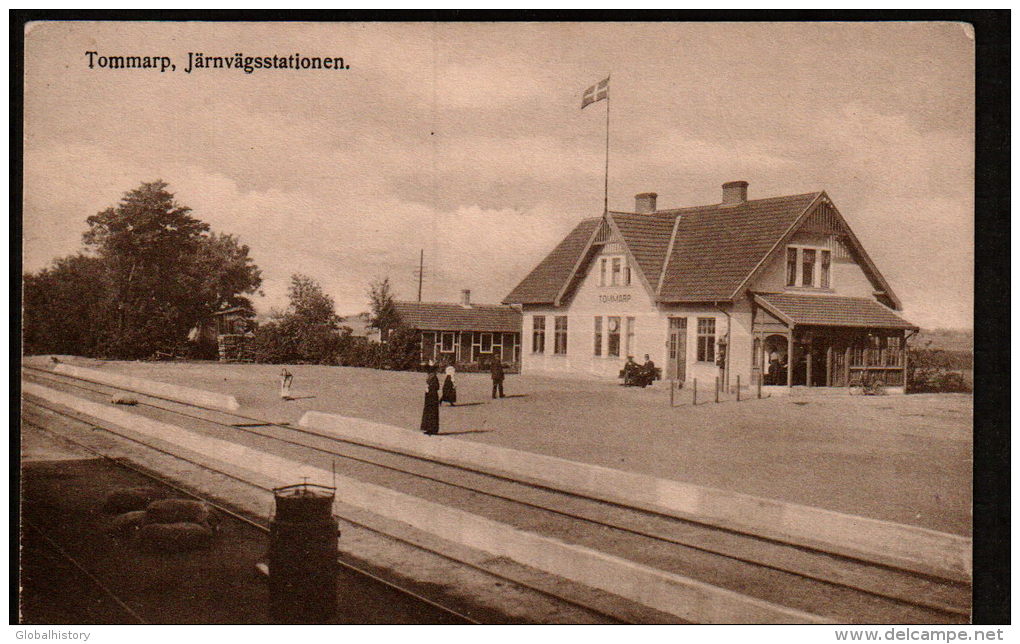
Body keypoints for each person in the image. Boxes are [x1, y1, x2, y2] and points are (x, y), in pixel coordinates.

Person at [421, 363, 440, 435]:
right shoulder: (430, 377)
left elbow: (437, 387)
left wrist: (429, 388)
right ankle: (429, 428)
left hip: (432, 396)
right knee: (429, 412)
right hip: (429, 396)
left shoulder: (434, 377)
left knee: (432, 412)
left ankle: (432, 429)